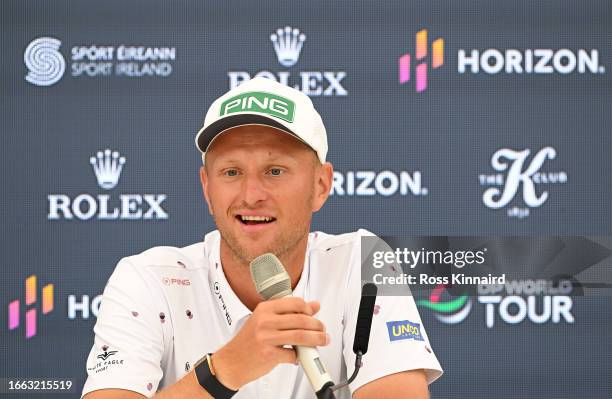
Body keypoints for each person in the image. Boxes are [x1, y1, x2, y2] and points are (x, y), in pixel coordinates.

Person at [81, 77, 443, 399]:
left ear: (321, 185)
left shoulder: (365, 261)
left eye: (275, 170)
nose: (251, 194)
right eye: (231, 171)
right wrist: (225, 370)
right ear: (207, 189)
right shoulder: (148, 278)